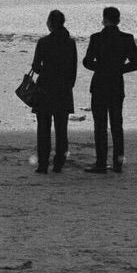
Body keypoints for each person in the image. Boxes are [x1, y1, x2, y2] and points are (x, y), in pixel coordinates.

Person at [82, 6, 137, 173]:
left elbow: (87, 62)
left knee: (100, 126)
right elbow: (136, 64)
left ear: (104, 20)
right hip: (116, 84)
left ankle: (101, 163)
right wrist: (118, 69)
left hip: (100, 84)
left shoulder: (96, 38)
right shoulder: (127, 38)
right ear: (118, 20)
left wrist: (101, 68)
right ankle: (117, 164)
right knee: (116, 125)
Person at [31, 9, 77, 173]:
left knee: (43, 129)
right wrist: (68, 86)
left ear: (50, 23)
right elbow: (73, 69)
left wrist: (44, 69)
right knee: (61, 130)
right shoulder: (70, 43)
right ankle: (59, 163)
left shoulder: (43, 42)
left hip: (45, 88)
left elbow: (36, 67)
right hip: (63, 89)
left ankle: (43, 164)